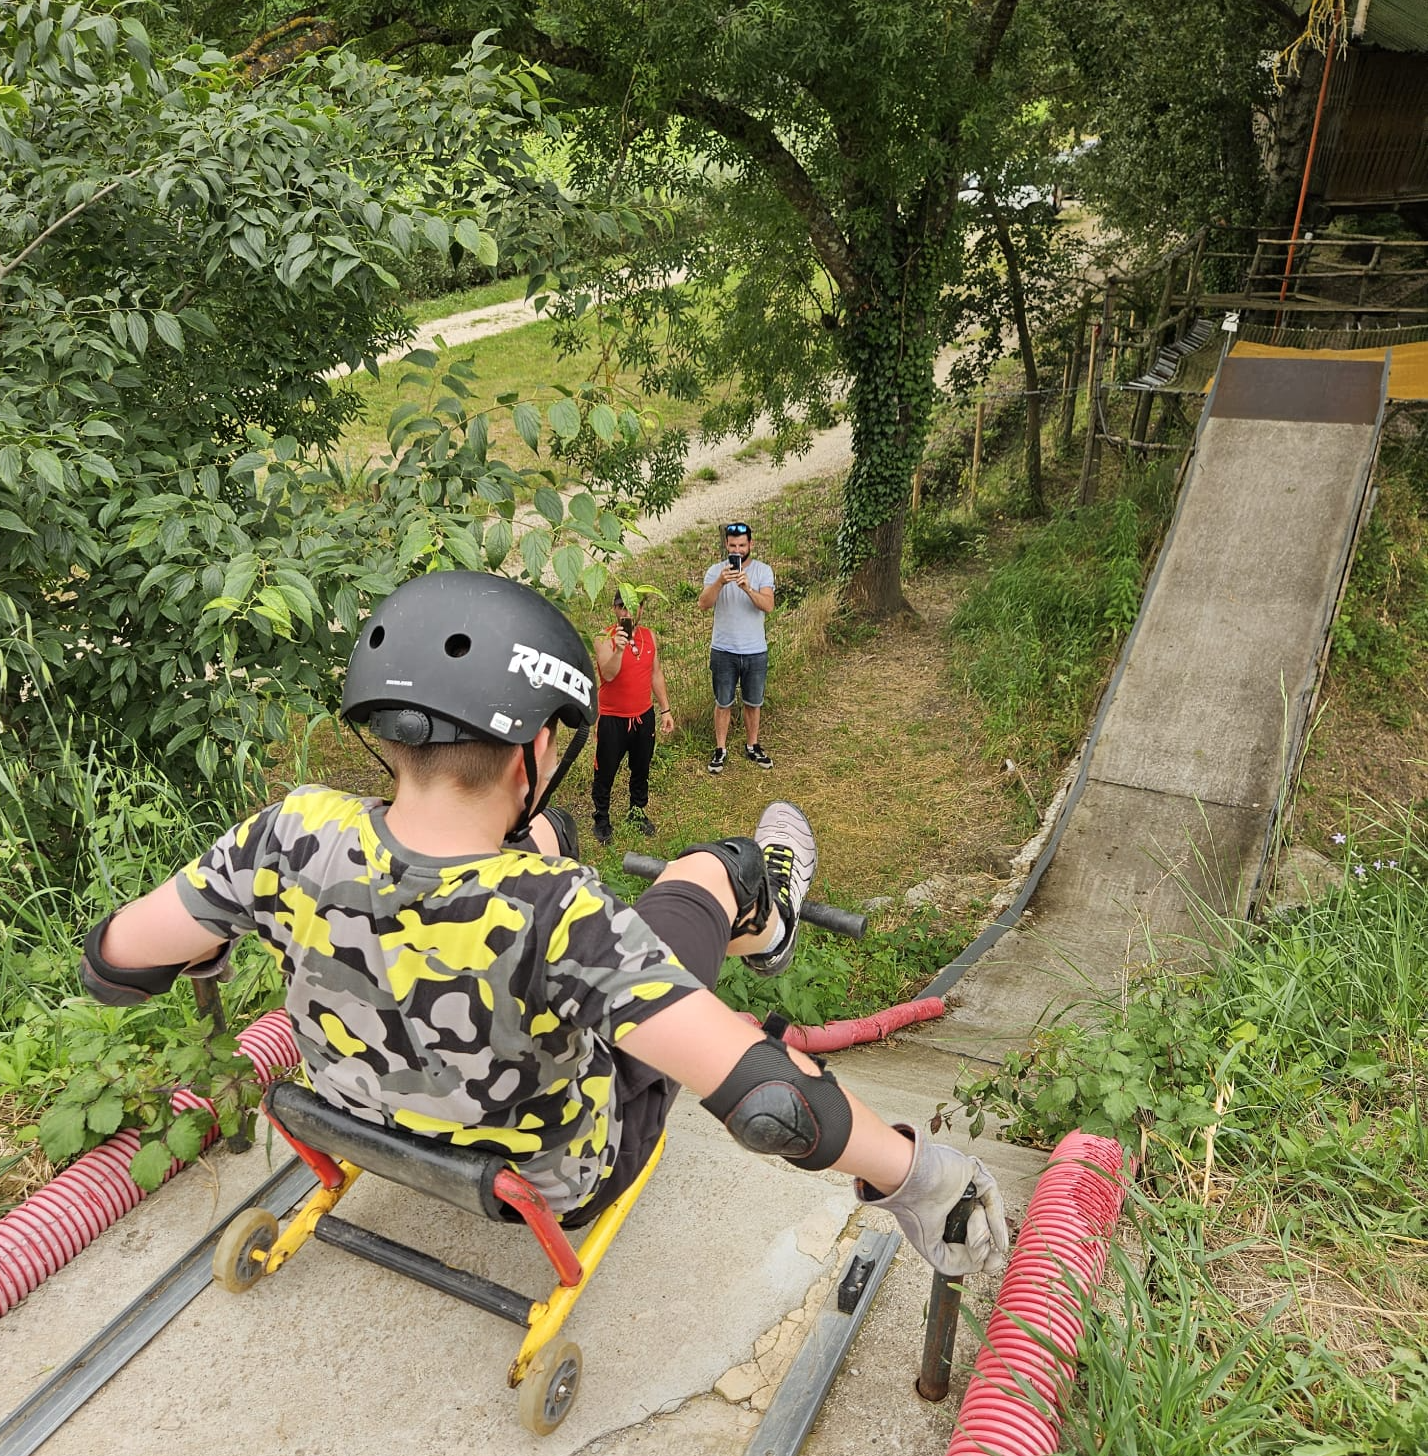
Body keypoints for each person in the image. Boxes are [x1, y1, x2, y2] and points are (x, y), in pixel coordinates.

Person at [76, 572, 1008, 1271]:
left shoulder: (290, 833)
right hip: (551, 1176)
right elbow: (771, 1104)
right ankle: (763, 916)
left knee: (547, 834)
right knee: (706, 872)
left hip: (354, 1116)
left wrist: (215, 936)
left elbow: (114, 962)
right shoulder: (562, 911)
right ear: (537, 743)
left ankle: (674, 921)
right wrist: (921, 1177)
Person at [591, 589, 674, 847]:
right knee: (605, 771)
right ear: (615, 609)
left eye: (632, 606)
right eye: (622, 607)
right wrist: (619, 649)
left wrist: (665, 709)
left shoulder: (649, 636)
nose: (627, 612)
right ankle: (601, 819)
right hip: (613, 718)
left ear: (641, 609)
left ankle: (637, 812)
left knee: (641, 768)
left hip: (643, 716)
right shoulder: (603, 638)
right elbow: (608, 673)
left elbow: (655, 674)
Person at [698, 522, 775, 774]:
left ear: (750, 544)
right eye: (733, 545)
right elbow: (703, 604)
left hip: (755, 650)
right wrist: (720, 582)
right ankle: (720, 749)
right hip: (723, 649)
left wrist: (747, 588)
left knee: (753, 702)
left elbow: (768, 605)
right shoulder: (715, 571)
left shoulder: (763, 571)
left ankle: (753, 745)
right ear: (726, 545)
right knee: (723, 702)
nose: (738, 550)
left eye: (742, 545)